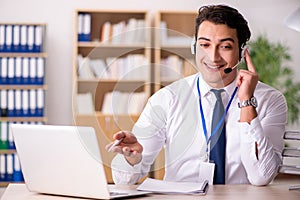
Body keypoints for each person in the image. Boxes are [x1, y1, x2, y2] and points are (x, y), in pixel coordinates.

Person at [106, 4, 287, 185]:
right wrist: (132, 159)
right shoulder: (167, 98)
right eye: (204, 45)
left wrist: (247, 102)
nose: (213, 57)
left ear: (242, 53)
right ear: (194, 47)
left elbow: (262, 176)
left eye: (225, 46)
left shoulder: (270, 100)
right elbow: (123, 180)